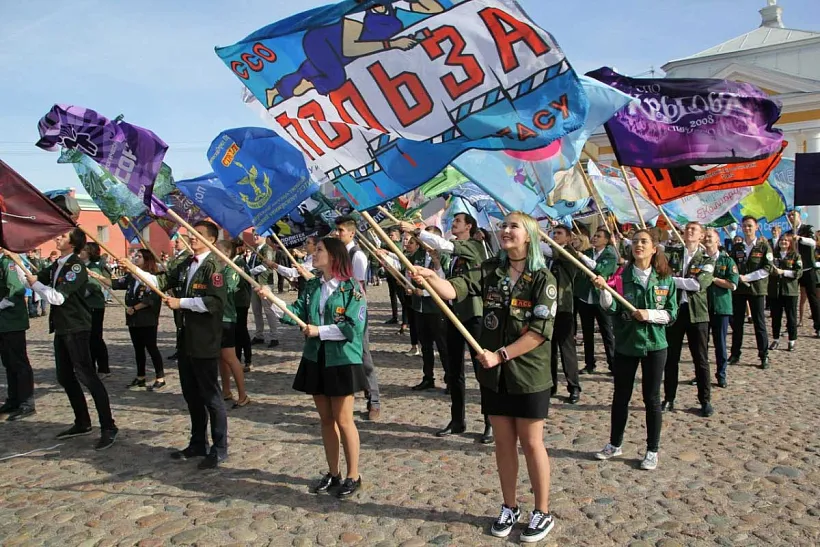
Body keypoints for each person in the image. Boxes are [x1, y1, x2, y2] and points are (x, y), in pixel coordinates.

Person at [413, 211, 558, 543]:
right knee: (504, 443)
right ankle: (510, 506)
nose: (505, 230)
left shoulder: (543, 278)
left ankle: (542, 511)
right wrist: (430, 277)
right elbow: (455, 289)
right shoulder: (491, 270)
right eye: (504, 225)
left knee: (531, 443)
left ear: (529, 235)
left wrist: (500, 355)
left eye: (513, 226)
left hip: (528, 374)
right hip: (495, 377)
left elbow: (538, 333)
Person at [259, 238, 367, 499]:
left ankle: (354, 475)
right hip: (316, 358)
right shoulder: (312, 285)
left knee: (343, 419)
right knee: (326, 419)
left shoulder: (351, 288)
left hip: (341, 359)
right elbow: (296, 313)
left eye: (319, 250)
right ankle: (334, 472)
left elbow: (353, 328)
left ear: (334, 256)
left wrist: (320, 331)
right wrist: (271, 299)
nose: (313, 253)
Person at [125, 221, 228, 469]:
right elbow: (161, 282)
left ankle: (219, 447)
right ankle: (197, 442)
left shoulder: (214, 266)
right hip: (185, 339)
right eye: (190, 234)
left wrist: (181, 303)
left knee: (211, 396)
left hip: (204, 340)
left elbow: (215, 303)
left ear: (211, 240)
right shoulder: (185, 263)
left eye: (197, 235)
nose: (191, 238)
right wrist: (134, 269)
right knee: (191, 394)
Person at [593, 228, 677, 471]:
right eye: (635, 242)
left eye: (644, 242)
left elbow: (671, 314)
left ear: (654, 248)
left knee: (652, 398)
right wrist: (604, 290)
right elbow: (610, 309)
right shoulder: (621, 276)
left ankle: (652, 450)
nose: (638, 245)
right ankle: (614, 443)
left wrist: (648, 314)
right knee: (621, 396)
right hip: (627, 343)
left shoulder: (665, 278)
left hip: (655, 345)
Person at [25, 229, 118, 450]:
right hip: (62, 328)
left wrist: (35, 284)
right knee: (65, 376)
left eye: (63, 236)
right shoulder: (58, 264)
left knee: (88, 376)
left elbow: (57, 297)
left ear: (73, 242)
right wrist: (20, 264)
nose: (58, 237)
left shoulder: (76, 267)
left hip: (77, 327)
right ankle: (82, 421)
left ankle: (108, 426)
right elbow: (35, 279)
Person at [409, 213, 494, 443]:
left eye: (457, 222)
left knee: (481, 370)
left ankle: (490, 422)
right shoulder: (454, 256)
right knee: (454, 370)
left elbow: (445, 244)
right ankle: (457, 420)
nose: (453, 224)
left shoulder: (475, 246)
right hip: (454, 314)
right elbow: (445, 280)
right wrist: (436, 265)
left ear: (469, 226)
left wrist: (416, 231)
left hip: (474, 314)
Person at [264, 0, 445, 106]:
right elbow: (350, 48)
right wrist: (393, 44)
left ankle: (274, 91)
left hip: (340, 53)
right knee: (336, 78)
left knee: (311, 69)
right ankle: (307, 85)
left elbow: (435, 8)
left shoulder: (391, 6)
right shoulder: (358, 12)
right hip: (321, 42)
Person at [661, 223, 715, 417]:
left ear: (701, 236)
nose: (689, 231)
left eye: (694, 229)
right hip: (675, 311)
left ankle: (705, 400)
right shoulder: (673, 254)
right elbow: (660, 271)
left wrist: (671, 280)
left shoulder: (707, 259)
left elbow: (698, 284)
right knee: (671, 358)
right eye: (687, 229)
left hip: (697, 313)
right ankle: (669, 398)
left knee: (700, 359)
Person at [97, 250, 165, 390]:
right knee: (138, 348)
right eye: (135, 256)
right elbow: (116, 283)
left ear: (147, 259)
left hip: (147, 318)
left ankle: (160, 377)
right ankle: (140, 377)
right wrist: (97, 276)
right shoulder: (131, 276)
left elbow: (151, 298)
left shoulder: (152, 277)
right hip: (133, 318)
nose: (135, 258)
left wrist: (135, 308)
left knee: (151, 347)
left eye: (139, 256)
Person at [334, 216, 381, 420]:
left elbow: (359, 288)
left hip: (355, 312)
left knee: (363, 355)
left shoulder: (357, 255)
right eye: (337, 230)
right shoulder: (339, 253)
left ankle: (374, 400)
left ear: (352, 233)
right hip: (339, 309)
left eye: (341, 230)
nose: (337, 234)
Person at [541, 225, 582, 404]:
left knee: (567, 350)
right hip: (547, 307)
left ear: (568, 237)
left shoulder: (569, 253)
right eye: (553, 233)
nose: (555, 236)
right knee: (549, 349)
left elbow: (556, 253)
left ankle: (574, 387)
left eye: (559, 233)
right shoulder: (548, 255)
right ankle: (551, 385)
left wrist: (536, 237)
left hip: (563, 307)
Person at [405, 229, 449, 391]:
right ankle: (428, 377)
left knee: (443, 346)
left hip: (436, 308)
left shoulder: (444, 256)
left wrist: (423, 292)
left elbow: (444, 282)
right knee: (425, 346)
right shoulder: (417, 255)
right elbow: (408, 272)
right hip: (420, 308)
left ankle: (450, 379)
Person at [729, 216, 773, 369]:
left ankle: (764, 355)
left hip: (756, 290)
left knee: (759, 323)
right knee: (737, 324)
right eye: (744, 226)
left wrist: (747, 277)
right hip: (739, 290)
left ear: (756, 227)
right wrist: (735, 276)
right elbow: (732, 265)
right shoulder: (737, 247)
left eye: (750, 226)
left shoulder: (763, 247)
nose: (747, 229)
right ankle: (735, 354)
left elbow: (767, 269)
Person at [575, 229, 618, 375]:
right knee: (587, 333)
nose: (594, 238)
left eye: (599, 236)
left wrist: (583, 258)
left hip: (600, 299)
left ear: (606, 240)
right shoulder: (587, 252)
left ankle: (613, 364)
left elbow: (601, 270)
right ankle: (589, 364)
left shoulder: (610, 255)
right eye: (594, 235)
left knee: (607, 333)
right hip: (585, 298)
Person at [0, 250, 36, 421]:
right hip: (4, 323)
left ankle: (26, 402)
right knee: (8, 362)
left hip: (13, 322)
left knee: (19, 362)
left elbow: (17, 290)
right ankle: (13, 399)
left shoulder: (8, 263)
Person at [215, 240, 251, 409]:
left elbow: (227, 289)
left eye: (217, 249)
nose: (213, 252)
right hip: (215, 317)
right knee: (220, 357)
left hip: (227, 317)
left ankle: (243, 394)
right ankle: (226, 390)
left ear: (227, 253)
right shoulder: (217, 269)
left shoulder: (231, 270)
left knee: (230, 357)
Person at [703, 229, 738, 389]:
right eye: (705, 236)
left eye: (710, 236)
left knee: (720, 344)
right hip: (703, 307)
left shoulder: (727, 261)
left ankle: (721, 374)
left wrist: (713, 279)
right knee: (701, 345)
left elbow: (732, 284)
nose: (707, 239)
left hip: (721, 307)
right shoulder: (700, 259)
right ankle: (702, 374)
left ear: (718, 240)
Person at [80, 243, 111, 376]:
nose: (80, 252)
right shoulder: (80, 267)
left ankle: (103, 368)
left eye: (83, 250)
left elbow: (93, 287)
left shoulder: (93, 268)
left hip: (94, 307)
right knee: (86, 338)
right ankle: (90, 367)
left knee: (95, 338)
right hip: (84, 307)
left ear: (89, 253)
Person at [788, 211, 820, 337]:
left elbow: (813, 242)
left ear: (799, 216)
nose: (791, 217)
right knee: (791, 299)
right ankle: (791, 327)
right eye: (790, 216)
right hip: (794, 269)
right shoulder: (788, 232)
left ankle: (818, 326)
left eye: (794, 215)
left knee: (813, 298)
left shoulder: (807, 229)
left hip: (807, 268)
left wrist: (800, 238)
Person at [769, 233, 802, 352]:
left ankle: (791, 340)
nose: (783, 242)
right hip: (775, 291)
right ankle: (775, 339)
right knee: (775, 317)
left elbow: (798, 272)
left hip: (790, 291)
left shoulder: (795, 255)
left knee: (791, 316)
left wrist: (783, 272)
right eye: (781, 240)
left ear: (790, 243)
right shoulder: (773, 255)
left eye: (786, 241)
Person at [247, 231, 279, 348]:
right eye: (254, 234)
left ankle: (274, 337)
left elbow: (265, 266)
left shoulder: (267, 249)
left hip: (265, 284)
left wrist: (249, 272)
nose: (255, 236)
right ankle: (259, 335)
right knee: (256, 311)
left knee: (269, 311)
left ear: (264, 236)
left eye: (258, 234)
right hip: (254, 284)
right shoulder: (255, 250)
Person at [166, 236, 191, 361]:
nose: (175, 244)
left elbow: (175, 270)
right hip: (174, 291)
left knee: (182, 323)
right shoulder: (177, 256)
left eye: (178, 242)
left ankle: (182, 348)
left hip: (181, 293)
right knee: (178, 322)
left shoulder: (186, 256)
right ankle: (180, 348)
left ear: (185, 243)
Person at [232, 239, 254, 373]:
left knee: (241, 331)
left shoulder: (239, 262)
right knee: (237, 331)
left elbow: (239, 282)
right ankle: (237, 358)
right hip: (235, 301)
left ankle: (247, 359)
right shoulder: (234, 261)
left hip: (240, 301)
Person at [383, 227, 403, 324]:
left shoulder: (398, 245)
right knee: (392, 295)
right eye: (389, 235)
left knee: (401, 296)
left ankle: (405, 318)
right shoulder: (389, 245)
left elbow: (399, 256)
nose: (390, 237)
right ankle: (394, 316)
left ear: (397, 237)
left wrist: (387, 252)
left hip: (397, 273)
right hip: (390, 272)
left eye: (392, 235)